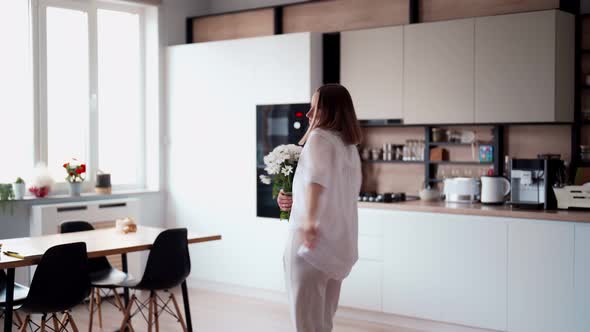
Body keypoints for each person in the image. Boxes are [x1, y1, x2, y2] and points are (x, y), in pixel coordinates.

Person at [278, 84, 362, 332]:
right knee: (324, 323)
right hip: (337, 244)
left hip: (309, 242)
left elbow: (316, 182)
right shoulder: (349, 147)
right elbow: (333, 190)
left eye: (315, 107)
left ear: (331, 110)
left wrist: (310, 222)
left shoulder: (318, 138)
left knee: (305, 324)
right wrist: (295, 197)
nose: (308, 114)